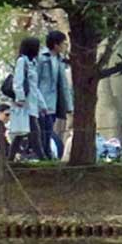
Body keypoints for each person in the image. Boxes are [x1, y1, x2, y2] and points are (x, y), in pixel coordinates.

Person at [36, 30, 73, 160]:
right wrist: (38, 103)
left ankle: (47, 154)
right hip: (42, 102)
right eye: (63, 43)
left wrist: (68, 106)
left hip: (54, 102)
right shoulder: (41, 58)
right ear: (56, 45)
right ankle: (43, 155)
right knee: (43, 130)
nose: (65, 46)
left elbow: (63, 85)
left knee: (49, 128)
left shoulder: (60, 60)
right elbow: (35, 82)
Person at [9, 36, 45, 161]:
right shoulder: (21, 62)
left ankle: (10, 158)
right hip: (24, 105)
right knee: (33, 131)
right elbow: (17, 82)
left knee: (22, 133)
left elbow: (35, 87)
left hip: (32, 104)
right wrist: (20, 99)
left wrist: (42, 105)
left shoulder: (33, 63)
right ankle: (43, 157)